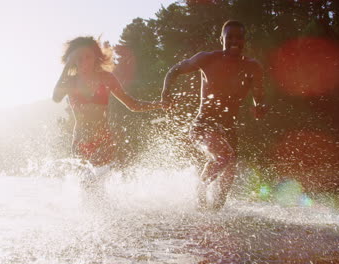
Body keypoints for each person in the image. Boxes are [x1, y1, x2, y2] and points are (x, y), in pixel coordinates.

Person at [161, 20, 266, 209]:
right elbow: (175, 70)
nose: (235, 41)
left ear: (244, 40)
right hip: (203, 124)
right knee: (225, 157)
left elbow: (259, 96)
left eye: (239, 37)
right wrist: (166, 92)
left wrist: (259, 106)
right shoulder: (207, 59)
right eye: (230, 37)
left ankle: (216, 210)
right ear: (221, 39)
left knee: (229, 168)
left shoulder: (253, 67)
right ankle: (199, 195)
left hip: (229, 128)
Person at [53, 36, 162, 169]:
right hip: (81, 142)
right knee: (86, 186)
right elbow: (56, 97)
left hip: (103, 141)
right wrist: (68, 64)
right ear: (73, 60)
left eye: (88, 57)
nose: (84, 62)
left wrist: (160, 104)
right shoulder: (70, 81)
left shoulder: (106, 78)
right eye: (79, 58)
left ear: (95, 57)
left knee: (100, 181)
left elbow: (132, 105)